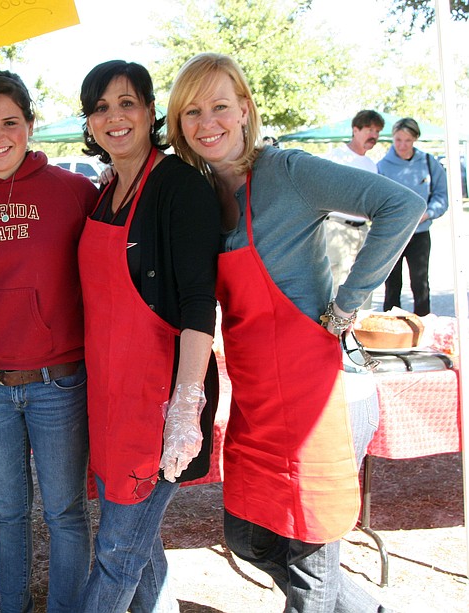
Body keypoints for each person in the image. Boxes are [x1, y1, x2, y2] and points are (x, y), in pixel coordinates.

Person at [166, 52, 425, 612]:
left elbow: (400, 205)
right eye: (191, 112)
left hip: (316, 402)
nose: (207, 122)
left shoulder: (287, 171)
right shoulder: (203, 191)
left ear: (244, 110)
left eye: (219, 106)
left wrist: (348, 305)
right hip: (258, 405)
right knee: (249, 540)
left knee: (311, 576)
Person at [0, 70, 97, 613]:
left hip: (60, 382)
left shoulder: (75, 193)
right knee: (6, 513)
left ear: (30, 125)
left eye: (10, 121)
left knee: (65, 513)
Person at [76, 59, 221, 613]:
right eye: (101, 107)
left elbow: (196, 305)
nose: (114, 117)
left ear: (152, 111)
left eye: (127, 103)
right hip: (109, 396)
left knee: (116, 550)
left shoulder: (180, 186)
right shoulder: (105, 189)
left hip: (158, 402)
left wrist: (186, 406)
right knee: (136, 539)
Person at [378, 117, 448, 316]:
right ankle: (390, 328)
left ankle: (423, 327)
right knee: (392, 285)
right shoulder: (382, 166)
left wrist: (427, 214)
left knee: (420, 284)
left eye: (407, 140)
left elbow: (442, 195)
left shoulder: (428, 162)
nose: (402, 145)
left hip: (419, 234)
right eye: (398, 140)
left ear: (415, 139)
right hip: (393, 235)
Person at [323, 109, 385, 306]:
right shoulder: (336, 157)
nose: (373, 135)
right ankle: (333, 333)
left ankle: (359, 330)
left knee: (363, 281)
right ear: (355, 130)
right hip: (338, 228)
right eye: (369, 129)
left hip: (363, 229)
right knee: (336, 283)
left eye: (377, 131)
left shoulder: (371, 165)